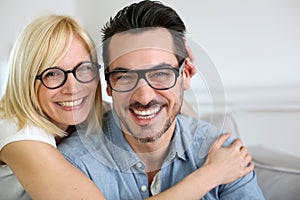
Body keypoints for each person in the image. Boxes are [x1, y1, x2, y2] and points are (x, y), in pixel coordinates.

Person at [0, 13, 253, 200]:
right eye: (53, 74)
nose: (73, 87)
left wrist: (173, 72)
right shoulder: (17, 131)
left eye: (84, 69)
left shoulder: (89, 116)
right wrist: (212, 174)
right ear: (26, 78)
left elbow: (153, 105)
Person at [58, 0, 265, 199]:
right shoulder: (73, 164)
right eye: (125, 77)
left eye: (160, 74)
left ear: (186, 75)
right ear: (109, 86)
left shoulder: (226, 155)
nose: (144, 97)